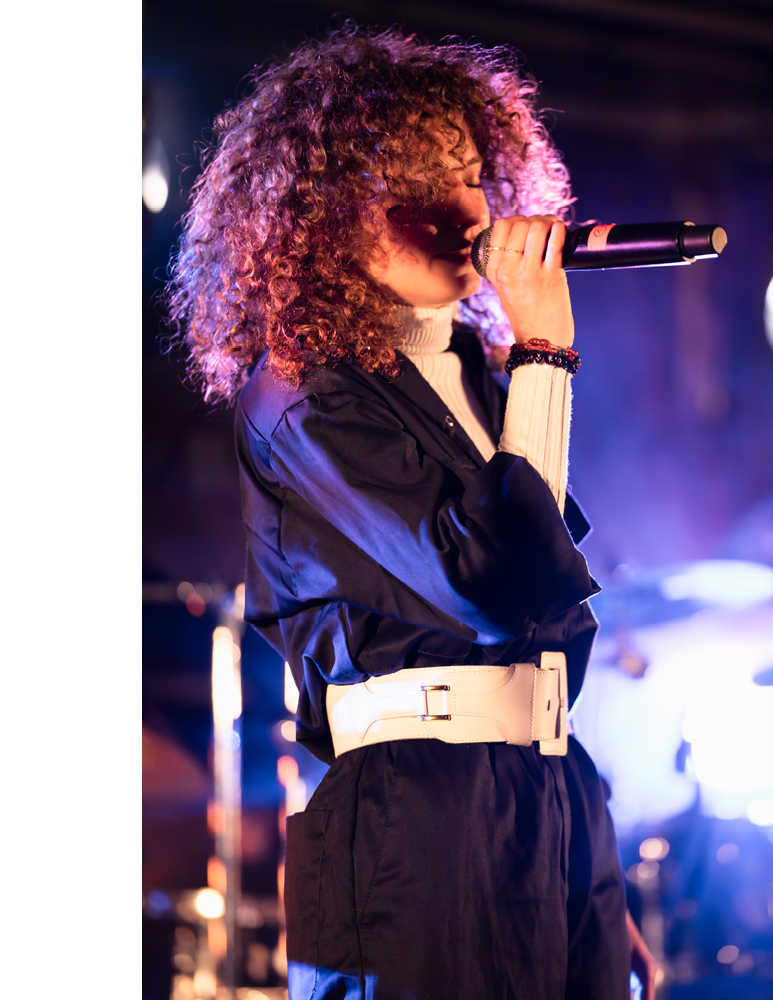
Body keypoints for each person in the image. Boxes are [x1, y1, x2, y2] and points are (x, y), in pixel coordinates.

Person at [167, 23, 657, 1000]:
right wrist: (546, 353)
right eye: (415, 181)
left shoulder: (480, 373)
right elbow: (495, 591)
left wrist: (591, 879)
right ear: (327, 215)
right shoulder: (304, 390)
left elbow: (543, 627)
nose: (463, 207)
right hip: (413, 817)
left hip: (551, 797)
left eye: (469, 174)